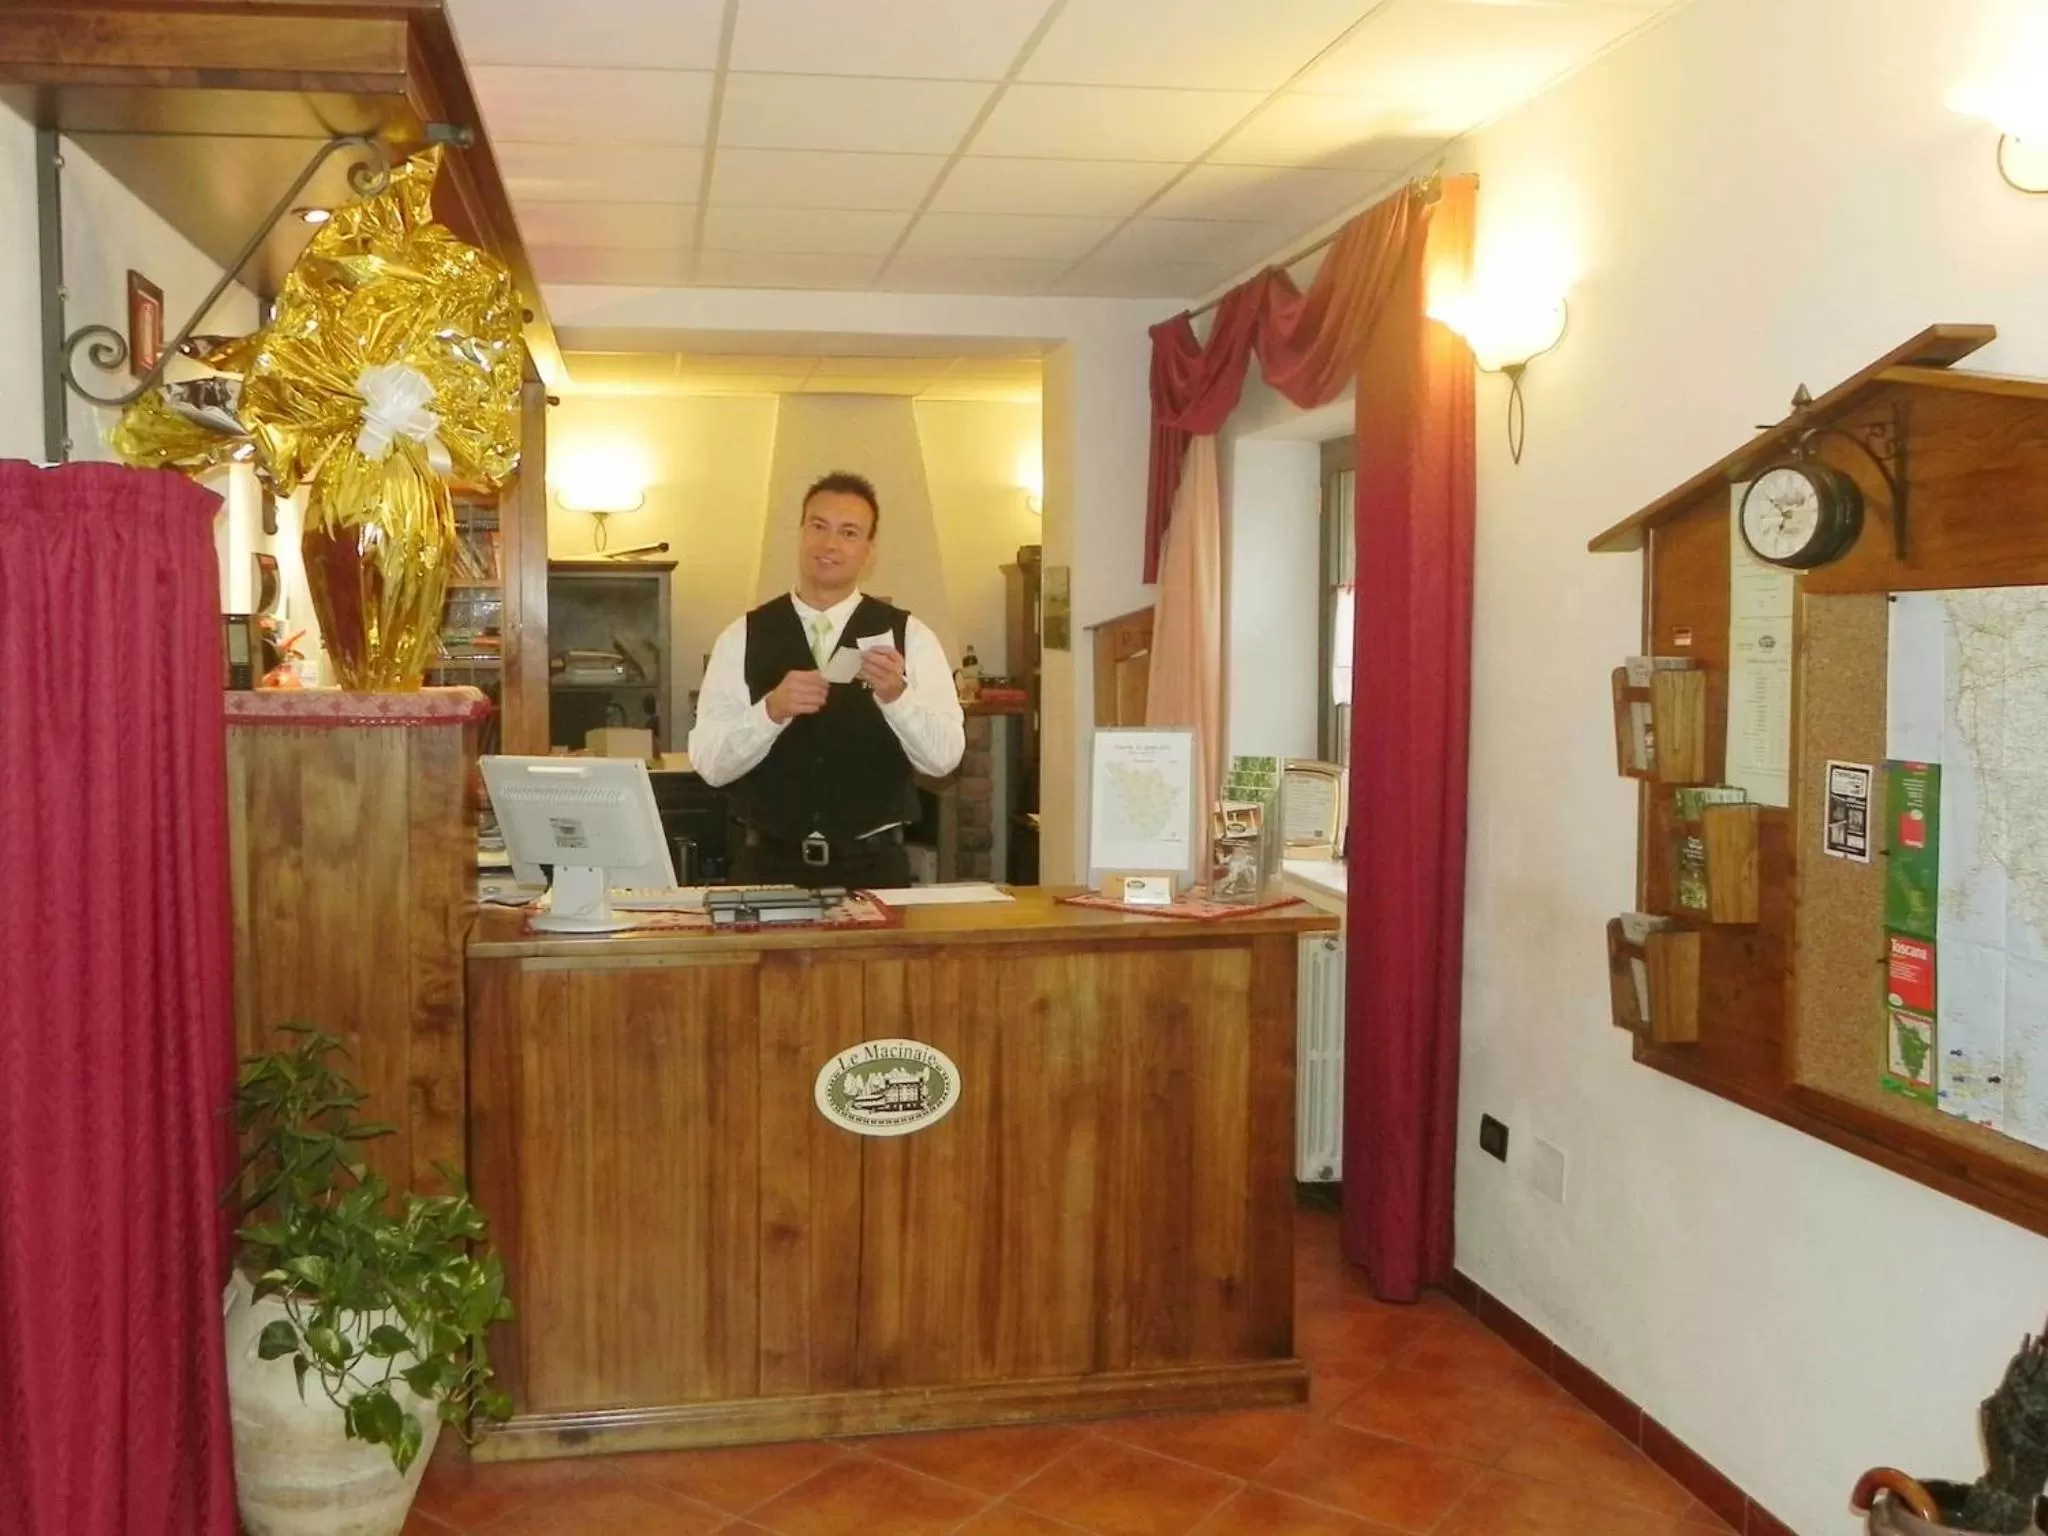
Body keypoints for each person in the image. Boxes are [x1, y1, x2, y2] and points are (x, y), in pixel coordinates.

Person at [687, 471, 965, 887]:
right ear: (801, 533)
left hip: (874, 873)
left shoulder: (913, 637)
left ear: (869, 550)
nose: (830, 544)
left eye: (849, 532)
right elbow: (710, 765)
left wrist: (896, 696)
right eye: (818, 526)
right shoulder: (742, 635)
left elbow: (944, 759)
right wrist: (771, 711)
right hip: (768, 869)